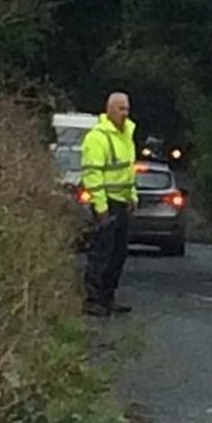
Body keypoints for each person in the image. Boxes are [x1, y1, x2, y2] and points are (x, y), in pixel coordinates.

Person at [81, 92, 138, 316]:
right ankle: (92, 299)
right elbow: (93, 175)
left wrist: (132, 195)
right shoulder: (97, 137)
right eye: (121, 109)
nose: (125, 114)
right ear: (109, 109)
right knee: (101, 252)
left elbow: (128, 169)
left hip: (121, 202)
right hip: (106, 204)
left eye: (127, 109)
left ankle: (108, 297)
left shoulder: (126, 135)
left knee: (118, 253)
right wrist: (101, 207)